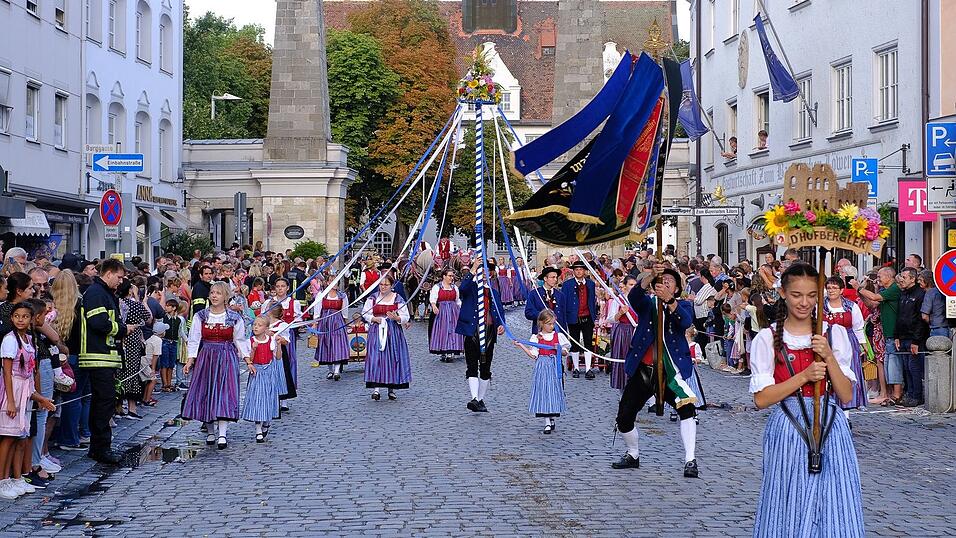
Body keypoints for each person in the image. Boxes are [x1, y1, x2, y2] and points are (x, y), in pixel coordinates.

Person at [750, 263, 863, 537]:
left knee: (835, 501)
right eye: (797, 295)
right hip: (789, 428)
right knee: (789, 501)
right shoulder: (767, 339)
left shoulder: (832, 334)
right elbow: (762, 399)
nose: (804, 302)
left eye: (811, 295)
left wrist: (829, 358)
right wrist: (803, 376)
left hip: (830, 426)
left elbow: (847, 395)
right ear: (783, 293)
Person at [612, 265, 700, 478]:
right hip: (644, 370)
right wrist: (650, 274)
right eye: (662, 280)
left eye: (670, 281)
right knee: (624, 416)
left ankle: (690, 459)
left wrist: (670, 301)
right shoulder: (647, 304)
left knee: (687, 408)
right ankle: (633, 454)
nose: (665, 283)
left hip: (670, 372)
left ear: (677, 288)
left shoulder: (683, 306)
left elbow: (685, 323)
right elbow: (634, 297)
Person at [183, 282, 251, 449]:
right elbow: (194, 339)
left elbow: (240, 340)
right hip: (206, 356)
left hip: (226, 356)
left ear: (226, 296)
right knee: (207, 392)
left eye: (218, 293)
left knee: (223, 392)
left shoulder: (234, 318)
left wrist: (248, 359)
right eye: (212, 293)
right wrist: (190, 359)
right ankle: (211, 431)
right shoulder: (201, 316)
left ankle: (222, 434)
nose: (214, 296)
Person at [79, 259, 134, 464]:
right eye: (119, 277)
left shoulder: (105, 293)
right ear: (109, 273)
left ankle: (99, 447)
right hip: (97, 355)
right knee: (104, 402)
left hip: (105, 355)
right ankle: (101, 448)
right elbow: (98, 322)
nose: (121, 282)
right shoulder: (96, 293)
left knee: (104, 402)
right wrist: (123, 329)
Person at [0, 302, 55, 499]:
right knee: (8, 436)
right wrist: (11, 401)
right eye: (17, 316)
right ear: (12, 318)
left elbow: (29, 374)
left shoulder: (29, 340)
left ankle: (16, 478)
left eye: (25, 316)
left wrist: (40, 398)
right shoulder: (9, 341)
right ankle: (2, 479)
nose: (20, 320)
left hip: (25, 390)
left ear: (31, 319)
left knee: (19, 438)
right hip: (12, 391)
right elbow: (7, 372)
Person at [456, 258, 506, 413]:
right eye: (481, 270)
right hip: (472, 331)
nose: (484, 273)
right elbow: (462, 289)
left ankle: (480, 399)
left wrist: (501, 325)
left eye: (487, 270)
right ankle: (474, 398)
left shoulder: (494, 292)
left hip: (489, 332)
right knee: (471, 365)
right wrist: (473, 268)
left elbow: (499, 310)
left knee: (485, 367)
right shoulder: (471, 287)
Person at [515, 310, 570, 434]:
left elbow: (566, 352)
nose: (551, 326)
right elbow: (534, 355)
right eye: (549, 324)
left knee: (554, 391)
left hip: (554, 366)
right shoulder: (536, 338)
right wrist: (521, 346)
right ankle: (546, 422)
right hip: (542, 367)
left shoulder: (558, 336)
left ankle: (551, 417)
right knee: (544, 391)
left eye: (553, 324)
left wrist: (559, 349)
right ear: (541, 324)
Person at [855, 267, 901, 406]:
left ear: (889, 276)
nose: (878, 279)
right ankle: (885, 393)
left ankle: (891, 393)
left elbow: (874, 298)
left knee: (892, 363)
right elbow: (872, 304)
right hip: (883, 332)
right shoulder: (883, 291)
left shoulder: (894, 289)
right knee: (882, 362)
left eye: (880, 276)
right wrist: (861, 292)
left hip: (891, 332)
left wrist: (859, 288)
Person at [822, 277, 867, 417]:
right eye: (829, 288)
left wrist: (862, 346)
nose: (831, 291)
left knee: (847, 374)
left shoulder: (851, 306)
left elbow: (858, 327)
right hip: (827, 343)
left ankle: (845, 414)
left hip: (848, 342)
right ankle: (828, 410)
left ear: (841, 290)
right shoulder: (820, 306)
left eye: (834, 288)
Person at [363, 275, 411, 401]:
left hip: (393, 332)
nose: (383, 287)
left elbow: (406, 316)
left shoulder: (397, 299)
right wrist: (374, 318)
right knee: (376, 358)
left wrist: (396, 318)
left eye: (386, 285)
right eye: (381, 284)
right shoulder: (373, 298)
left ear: (391, 286)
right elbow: (366, 313)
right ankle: (376, 389)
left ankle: (391, 389)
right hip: (377, 330)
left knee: (392, 358)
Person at [241, 316, 281, 443]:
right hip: (257, 372)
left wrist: (279, 345)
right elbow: (250, 359)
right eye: (254, 325)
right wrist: (253, 349)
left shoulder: (271, 340)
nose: (255, 327)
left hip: (269, 372)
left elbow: (278, 357)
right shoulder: (250, 341)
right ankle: (258, 430)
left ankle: (266, 422)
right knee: (257, 398)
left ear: (266, 328)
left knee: (269, 398)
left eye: (259, 325)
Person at [262, 278, 300, 409]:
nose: (280, 288)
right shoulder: (268, 303)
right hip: (268, 343)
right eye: (277, 286)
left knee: (287, 365)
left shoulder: (293, 303)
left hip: (285, 338)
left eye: (282, 286)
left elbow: (298, 319)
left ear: (287, 288)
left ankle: (285, 397)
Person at [895, 267, 927, 407]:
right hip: (903, 337)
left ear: (912, 279)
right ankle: (909, 394)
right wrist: (897, 336)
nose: (901, 279)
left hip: (915, 338)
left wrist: (916, 340)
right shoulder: (903, 294)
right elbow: (900, 316)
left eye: (904, 277)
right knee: (906, 368)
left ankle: (917, 396)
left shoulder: (920, 294)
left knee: (914, 368)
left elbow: (920, 320)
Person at [560, 260, 598, 379]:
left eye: (581, 269)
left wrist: (594, 317)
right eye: (576, 270)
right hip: (573, 317)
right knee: (574, 343)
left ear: (585, 271)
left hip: (587, 317)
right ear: (573, 271)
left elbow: (592, 301)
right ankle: (576, 368)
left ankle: (588, 369)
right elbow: (564, 302)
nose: (579, 271)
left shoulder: (591, 284)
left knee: (588, 343)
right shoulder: (567, 284)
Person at [117, 280, 148, 419]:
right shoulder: (135, 305)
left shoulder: (116, 302)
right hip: (133, 339)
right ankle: (132, 407)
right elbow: (148, 317)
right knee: (132, 371)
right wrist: (140, 299)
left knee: (119, 371)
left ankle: (117, 407)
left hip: (119, 338)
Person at [312, 282, 350, 381]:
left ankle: (337, 371)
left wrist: (346, 324)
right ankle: (330, 370)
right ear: (327, 283)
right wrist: (315, 323)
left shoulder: (342, 296)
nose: (333, 284)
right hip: (325, 322)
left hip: (338, 322)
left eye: (335, 282)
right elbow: (317, 311)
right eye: (331, 281)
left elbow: (345, 311)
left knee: (337, 345)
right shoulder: (322, 295)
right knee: (327, 344)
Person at [607, 276, 639, 392]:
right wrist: (620, 313)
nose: (633, 287)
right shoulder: (618, 300)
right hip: (623, 332)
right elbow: (611, 319)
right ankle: (623, 392)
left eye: (635, 285)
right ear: (625, 286)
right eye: (631, 285)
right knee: (623, 361)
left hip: (638, 331)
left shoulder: (641, 299)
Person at [429, 268, 464, 363]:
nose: (451, 278)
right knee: (443, 330)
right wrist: (434, 306)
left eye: (452, 276)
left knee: (453, 330)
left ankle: (451, 351)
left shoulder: (454, 287)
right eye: (449, 276)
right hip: (442, 311)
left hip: (453, 311)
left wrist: (461, 310)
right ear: (444, 276)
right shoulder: (437, 287)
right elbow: (433, 299)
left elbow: (457, 300)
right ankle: (443, 350)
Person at [524, 267, 565, 334]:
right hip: (540, 332)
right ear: (545, 279)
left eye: (556, 277)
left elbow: (563, 316)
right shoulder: (535, 294)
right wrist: (543, 316)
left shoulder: (560, 295)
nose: (555, 280)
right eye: (552, 277)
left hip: (557, 332)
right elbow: (528, 313)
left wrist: (564, 334)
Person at [160, 299, 185, 392]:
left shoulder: (178, 320)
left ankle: (169, 383)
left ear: (174, 308)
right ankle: (165, 384)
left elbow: (181, 332)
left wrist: (186, 341)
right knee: (164, 363)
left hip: (174, 342)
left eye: (168, 305)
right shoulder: (164, 318)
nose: (166, 307)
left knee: (171, 364)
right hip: (165, 341)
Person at [141, 322, 168, 408]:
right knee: (153, 379)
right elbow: (155, 356)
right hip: (145, 363)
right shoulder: (158, 340)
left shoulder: (151, 338)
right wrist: (153, 369)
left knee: (148, 380)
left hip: (143, 361)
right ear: (162, 332)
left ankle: (144, 399)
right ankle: (147, 400)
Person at [919, 270, 950, 338]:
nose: (918, 282)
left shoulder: (929, 293)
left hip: (936, 328)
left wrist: (931, 322)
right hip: (947, 327)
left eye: (921, 280)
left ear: (927, 281)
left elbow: (924, 316)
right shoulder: (942, 290)